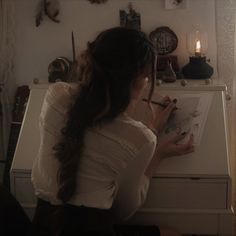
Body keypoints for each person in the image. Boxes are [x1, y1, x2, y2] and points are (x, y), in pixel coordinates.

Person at [31, 27, 194, 236]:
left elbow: (92, 130)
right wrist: (159, 153)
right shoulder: (142, 138)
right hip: (92, 229)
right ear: (139, 79)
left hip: (43, 225)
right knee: (173, 233)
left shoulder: (55, 95)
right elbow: (124, 211)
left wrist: (150, 129)